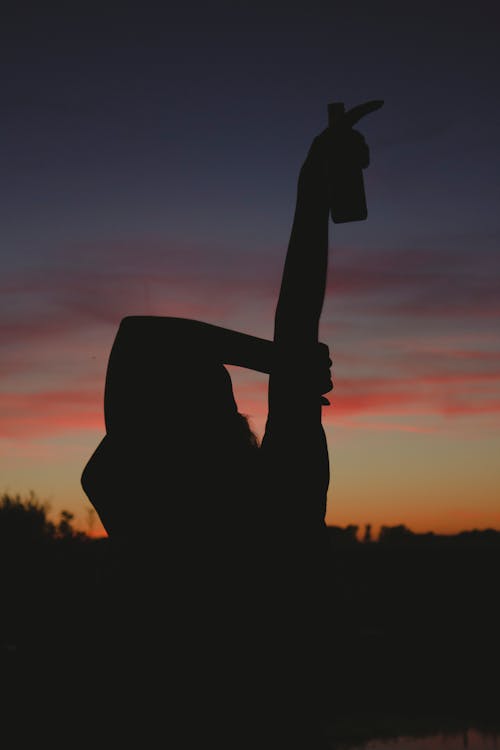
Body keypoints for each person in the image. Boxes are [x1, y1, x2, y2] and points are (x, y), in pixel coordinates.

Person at [81, 101, 381, 748]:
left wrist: (311, 181)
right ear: (232, 417)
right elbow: (297, 323)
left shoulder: (135, 500)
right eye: (220, 387)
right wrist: (312, 186)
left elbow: (139, 337)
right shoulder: (281, 493)